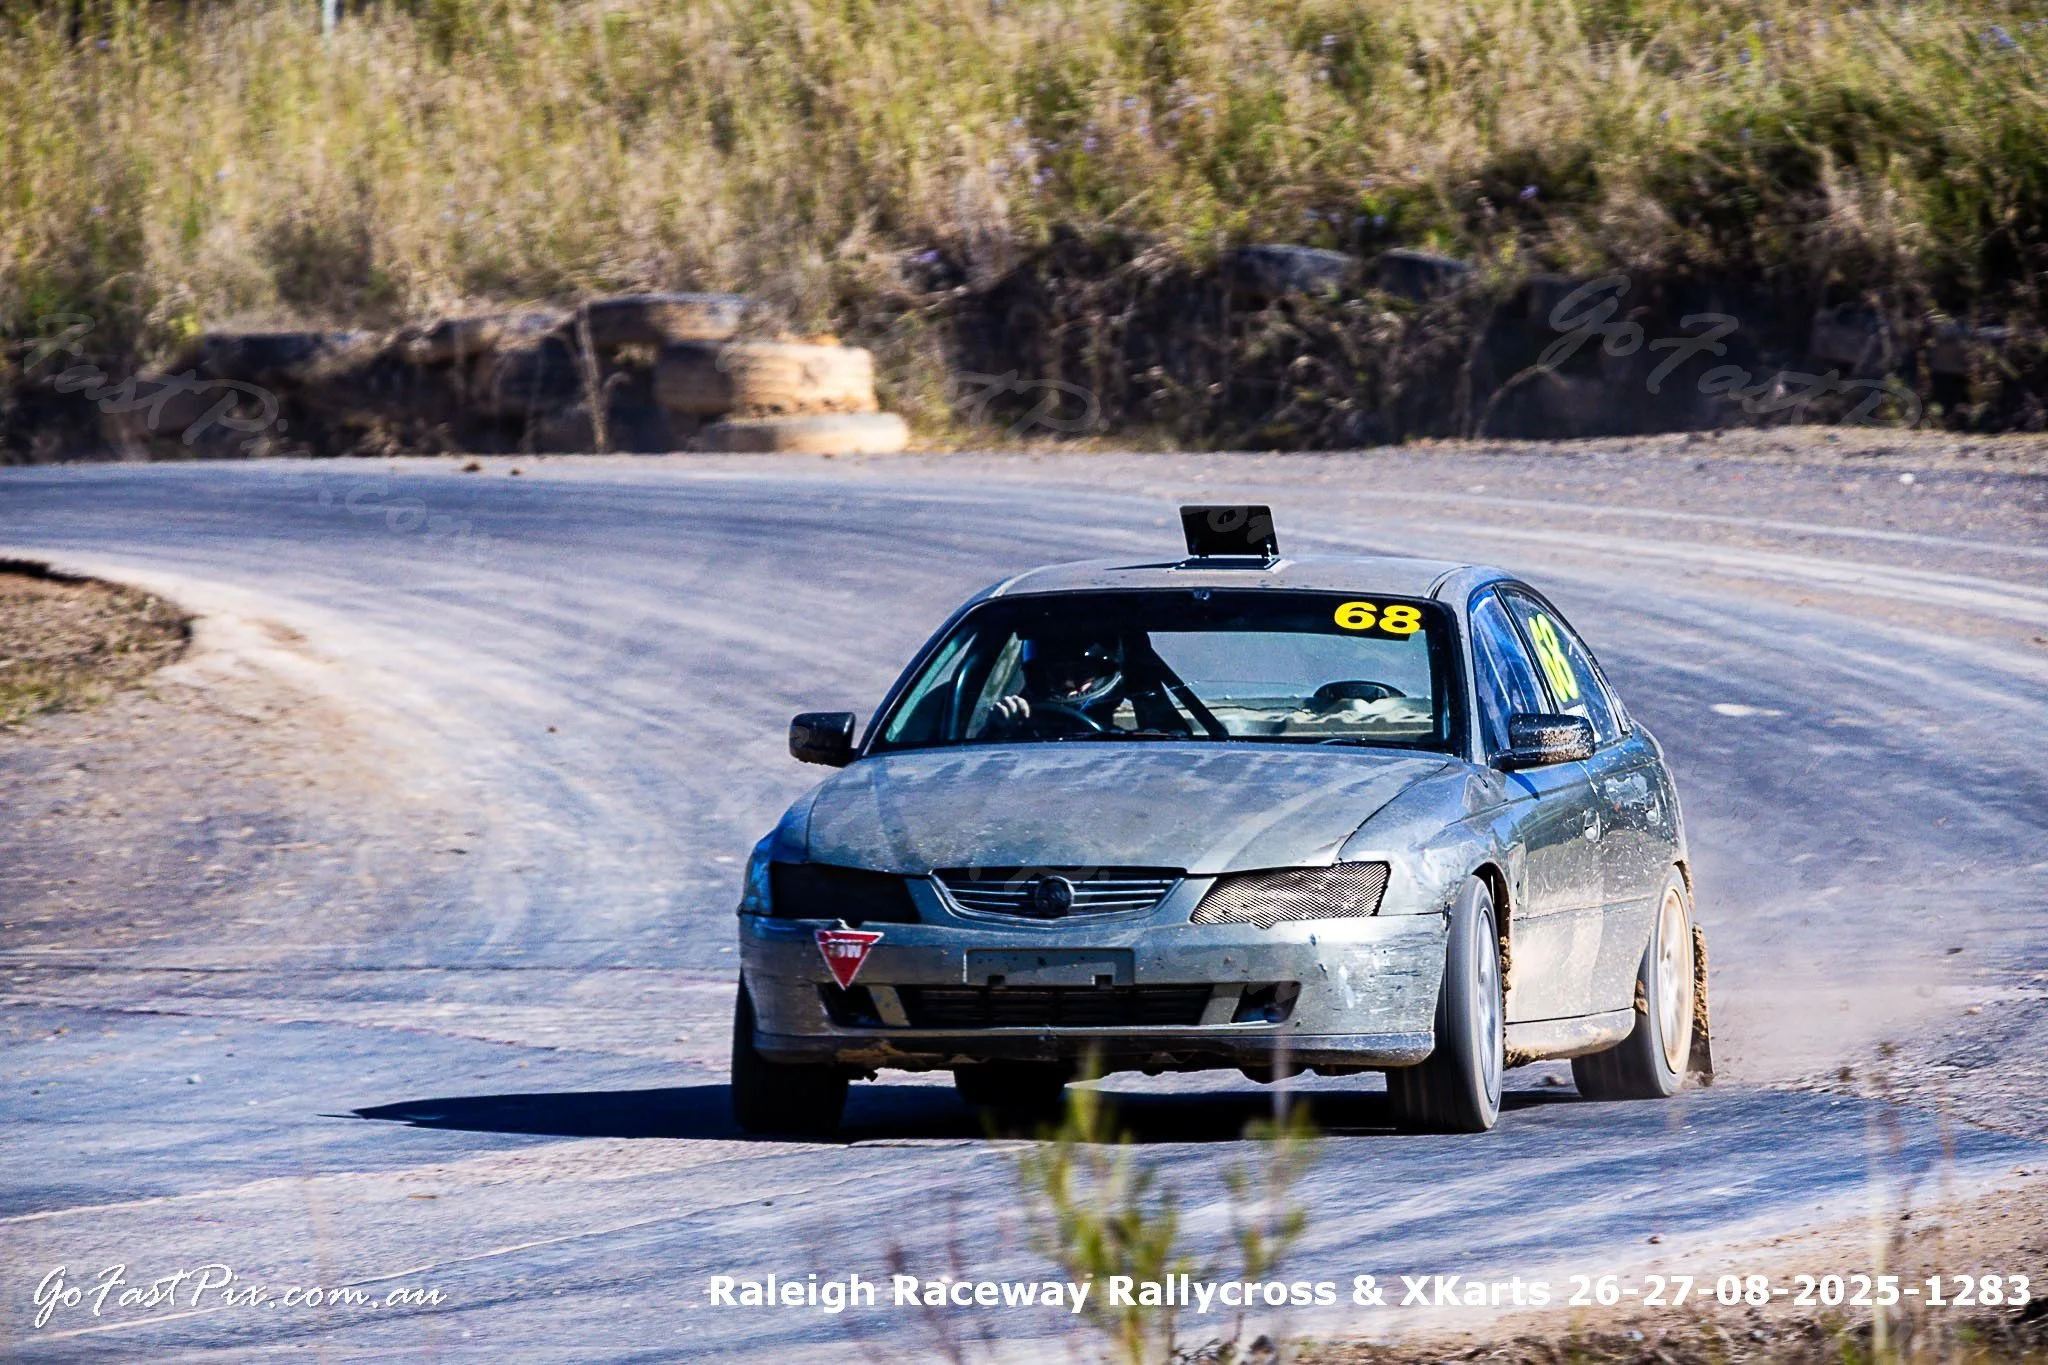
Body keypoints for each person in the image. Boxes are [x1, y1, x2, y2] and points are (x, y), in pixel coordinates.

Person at [984, 633, 1187, 739]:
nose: (1069, 687)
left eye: (1080, 675)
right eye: (1057, 676)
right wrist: (998, 729)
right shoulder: (1018, 738)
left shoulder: (1137, 745)